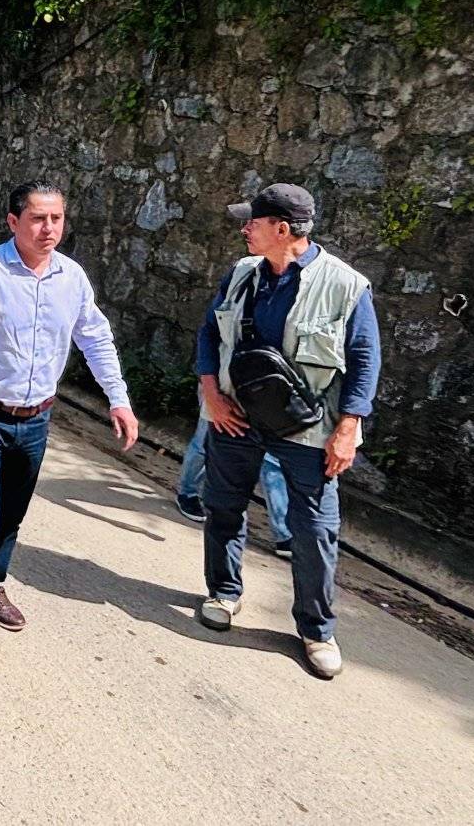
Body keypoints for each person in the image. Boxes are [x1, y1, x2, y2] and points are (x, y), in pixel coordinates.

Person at [0, 182, 137, 661]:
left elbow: (96, 339)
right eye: (38, 219)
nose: (49, 229)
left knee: (11, 516)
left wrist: (119, 400)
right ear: (13, 222)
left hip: (37, 419)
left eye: (57, 219)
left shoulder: (72, 278)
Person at [195, 182, 380, 681]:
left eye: (251, 222)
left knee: (315, 529)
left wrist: (348, 428)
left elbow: (364, 361)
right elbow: (210, 333)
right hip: (236, 415)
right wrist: (211, 393)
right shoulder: (241, 274)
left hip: (309, 427)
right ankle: (223, 593)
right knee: (224, 505)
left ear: (282, 229)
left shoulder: (346, 286)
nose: (243, 229)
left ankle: (317, 630)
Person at [174, 412, 292, 558]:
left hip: (268, 400)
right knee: (204, 441)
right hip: (223, 394)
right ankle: (187, 492)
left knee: (271, 461)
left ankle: (284, 533)